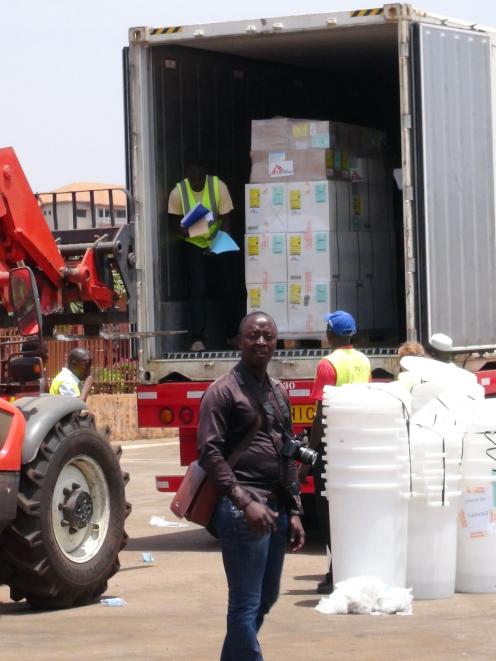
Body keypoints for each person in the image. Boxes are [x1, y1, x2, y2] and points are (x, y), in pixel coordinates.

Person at [197, 311, 305, 660]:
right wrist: (245, 503)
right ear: (239, 341)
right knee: (244, 602)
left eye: (268, 336)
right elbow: (209, 454)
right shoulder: (223, 392)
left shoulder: (277, 392)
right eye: (253, 336)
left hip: (275, 507)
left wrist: (295, 510)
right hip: (242, 508)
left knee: (266, 597)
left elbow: (287, 450)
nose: (261, 342)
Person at [301, 310, 371, 595]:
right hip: (356, 442)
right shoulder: (364, 361)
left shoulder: (328, 364)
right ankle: (350, 567)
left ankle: (336, 572)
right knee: (353, 509)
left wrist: (309, 453)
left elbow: (320, 414)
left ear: (330, 333)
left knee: (327, 509)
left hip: (331, 444)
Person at [168, 162, 239, 352]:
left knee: (227, 287)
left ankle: (232, 335)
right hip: (194, 243)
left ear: (205, 174)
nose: (197, 182)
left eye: (200, 179)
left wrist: (216, 245)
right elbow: (175, 224)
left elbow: (227, 221)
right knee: (197, 289)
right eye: (193, 180)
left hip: (217, 239)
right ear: (187, 176)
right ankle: (197, 338)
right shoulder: (177, 192)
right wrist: (191, 231)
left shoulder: (218, 186)